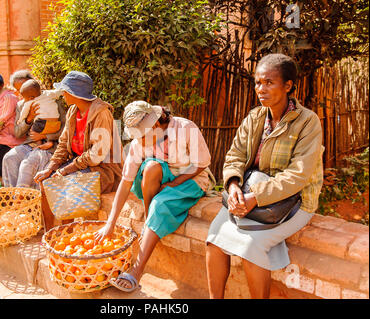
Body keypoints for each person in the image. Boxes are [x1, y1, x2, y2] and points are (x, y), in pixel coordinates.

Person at [205, 53, 324, 299]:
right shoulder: (255, 117)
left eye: (269, 82)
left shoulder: (307, 122)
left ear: (288, 85)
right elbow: (234, 156)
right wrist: (235, 186)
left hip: (295, 202)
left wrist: (255, 197)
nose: (261, 89)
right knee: (214, 241)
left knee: (251, 247)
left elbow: (297, 176)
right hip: (248, 194)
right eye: (258, 82)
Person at [93, 100, 214, 292]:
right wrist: (111, 223)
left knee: (160, 202)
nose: (139, 142)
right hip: (159, 178)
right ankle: (153, 218)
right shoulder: (138, 142)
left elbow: (201, 163)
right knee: (150, 167)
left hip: (191, 179)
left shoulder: (185, 128)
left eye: (142, 137)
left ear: (156, 125)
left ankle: (136, 271)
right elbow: (125, 182)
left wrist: (175, 183)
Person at [34, 71, 124, 230]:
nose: (63, 94)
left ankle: (67, 233)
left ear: (73, 93)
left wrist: (66, 170)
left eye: (65, 91)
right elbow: (63, 144)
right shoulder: (72, 111)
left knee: (65, 185)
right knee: (44, 182)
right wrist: (50, 168)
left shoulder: (101, 113)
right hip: (81, 164)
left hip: (105, 169)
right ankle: (51, 234)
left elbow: (97, 154)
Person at [17, 79, 62, 145]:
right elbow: (58, 92)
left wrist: (20, 120)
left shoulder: (30, 102)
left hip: (42, 124)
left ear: (31, 97)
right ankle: (49, 141)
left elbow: (24, 113)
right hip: (56, 124)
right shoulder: (48, 94)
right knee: (44, 131)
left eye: (24, 98)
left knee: (32, 131)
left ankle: (39, 145)